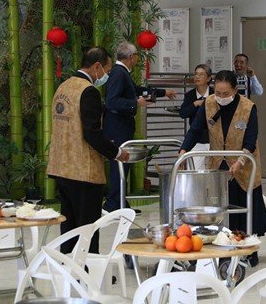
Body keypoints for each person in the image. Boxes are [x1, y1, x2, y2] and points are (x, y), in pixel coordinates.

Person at [179, 70, 266, 267]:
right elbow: (195, 129)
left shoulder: (248, 107)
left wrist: (240, 161)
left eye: (225, 93)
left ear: (235, 90)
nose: (220, 97)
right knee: (220, 208)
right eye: (218, 93)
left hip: (243, 165)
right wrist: (183, 150)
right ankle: (221, 247)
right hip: (218, 165)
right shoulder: (209, 103)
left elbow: (251, 138)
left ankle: (248, 250)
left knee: (244, 207)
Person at [47, 47, 130, 254]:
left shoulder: (63, 87)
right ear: (97, 66)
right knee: (88, 226)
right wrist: (117, 152)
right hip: (83, 170)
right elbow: (91, 132)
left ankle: (69, 268)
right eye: (107, 71)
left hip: (61, 167)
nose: (106, 76)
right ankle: (88, 270)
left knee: (69, 224)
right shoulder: (88, 91)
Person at [103, 41, 176, 213]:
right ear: (131, 57)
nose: (137, 58)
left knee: (123, 163)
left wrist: (163, 93)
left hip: (121, 124)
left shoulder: (123, 73)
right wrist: (135, 103)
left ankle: (120, 202)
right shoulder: (118, 74)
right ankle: (113, 203)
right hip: (117, 125)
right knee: (120, 162)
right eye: (136, 55)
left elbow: (137, 90)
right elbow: (111, 101)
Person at [179, 64, 214, 170]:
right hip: (197, 139)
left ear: (208, 78)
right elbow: (183, 113)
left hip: (213, 138)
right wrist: (195, 104)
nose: (197, 77)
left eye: (201, 74)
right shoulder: (190, 95)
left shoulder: (215, 94)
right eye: (196, 74)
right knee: (194, 170)